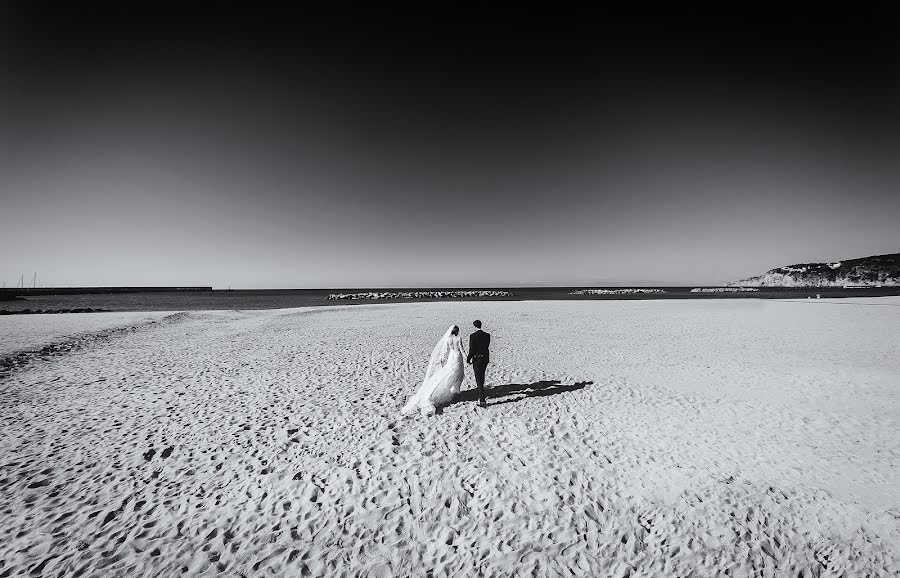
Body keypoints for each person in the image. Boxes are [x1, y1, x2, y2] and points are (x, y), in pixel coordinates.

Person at [401, 325, 466, 416]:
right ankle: (456, 392)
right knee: (458, 373)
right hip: (457, 356)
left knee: (449, 373)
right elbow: (461, 349)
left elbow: (446, 351)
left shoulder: (448, 339)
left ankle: (454, 391)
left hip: (451, 357)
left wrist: (443, 359)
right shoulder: (458, 338)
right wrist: (467, 358)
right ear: (457, 331)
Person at [467, 320, 490, 408]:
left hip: (477, 359)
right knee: (482, 376)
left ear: (474, 326)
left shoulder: (473, 336)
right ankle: (482, 393)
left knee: (478, 378)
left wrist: (468, 359)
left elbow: (472, 349)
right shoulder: (487, 335)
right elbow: (486, 347)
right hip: (485, 358)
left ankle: (482, 399)